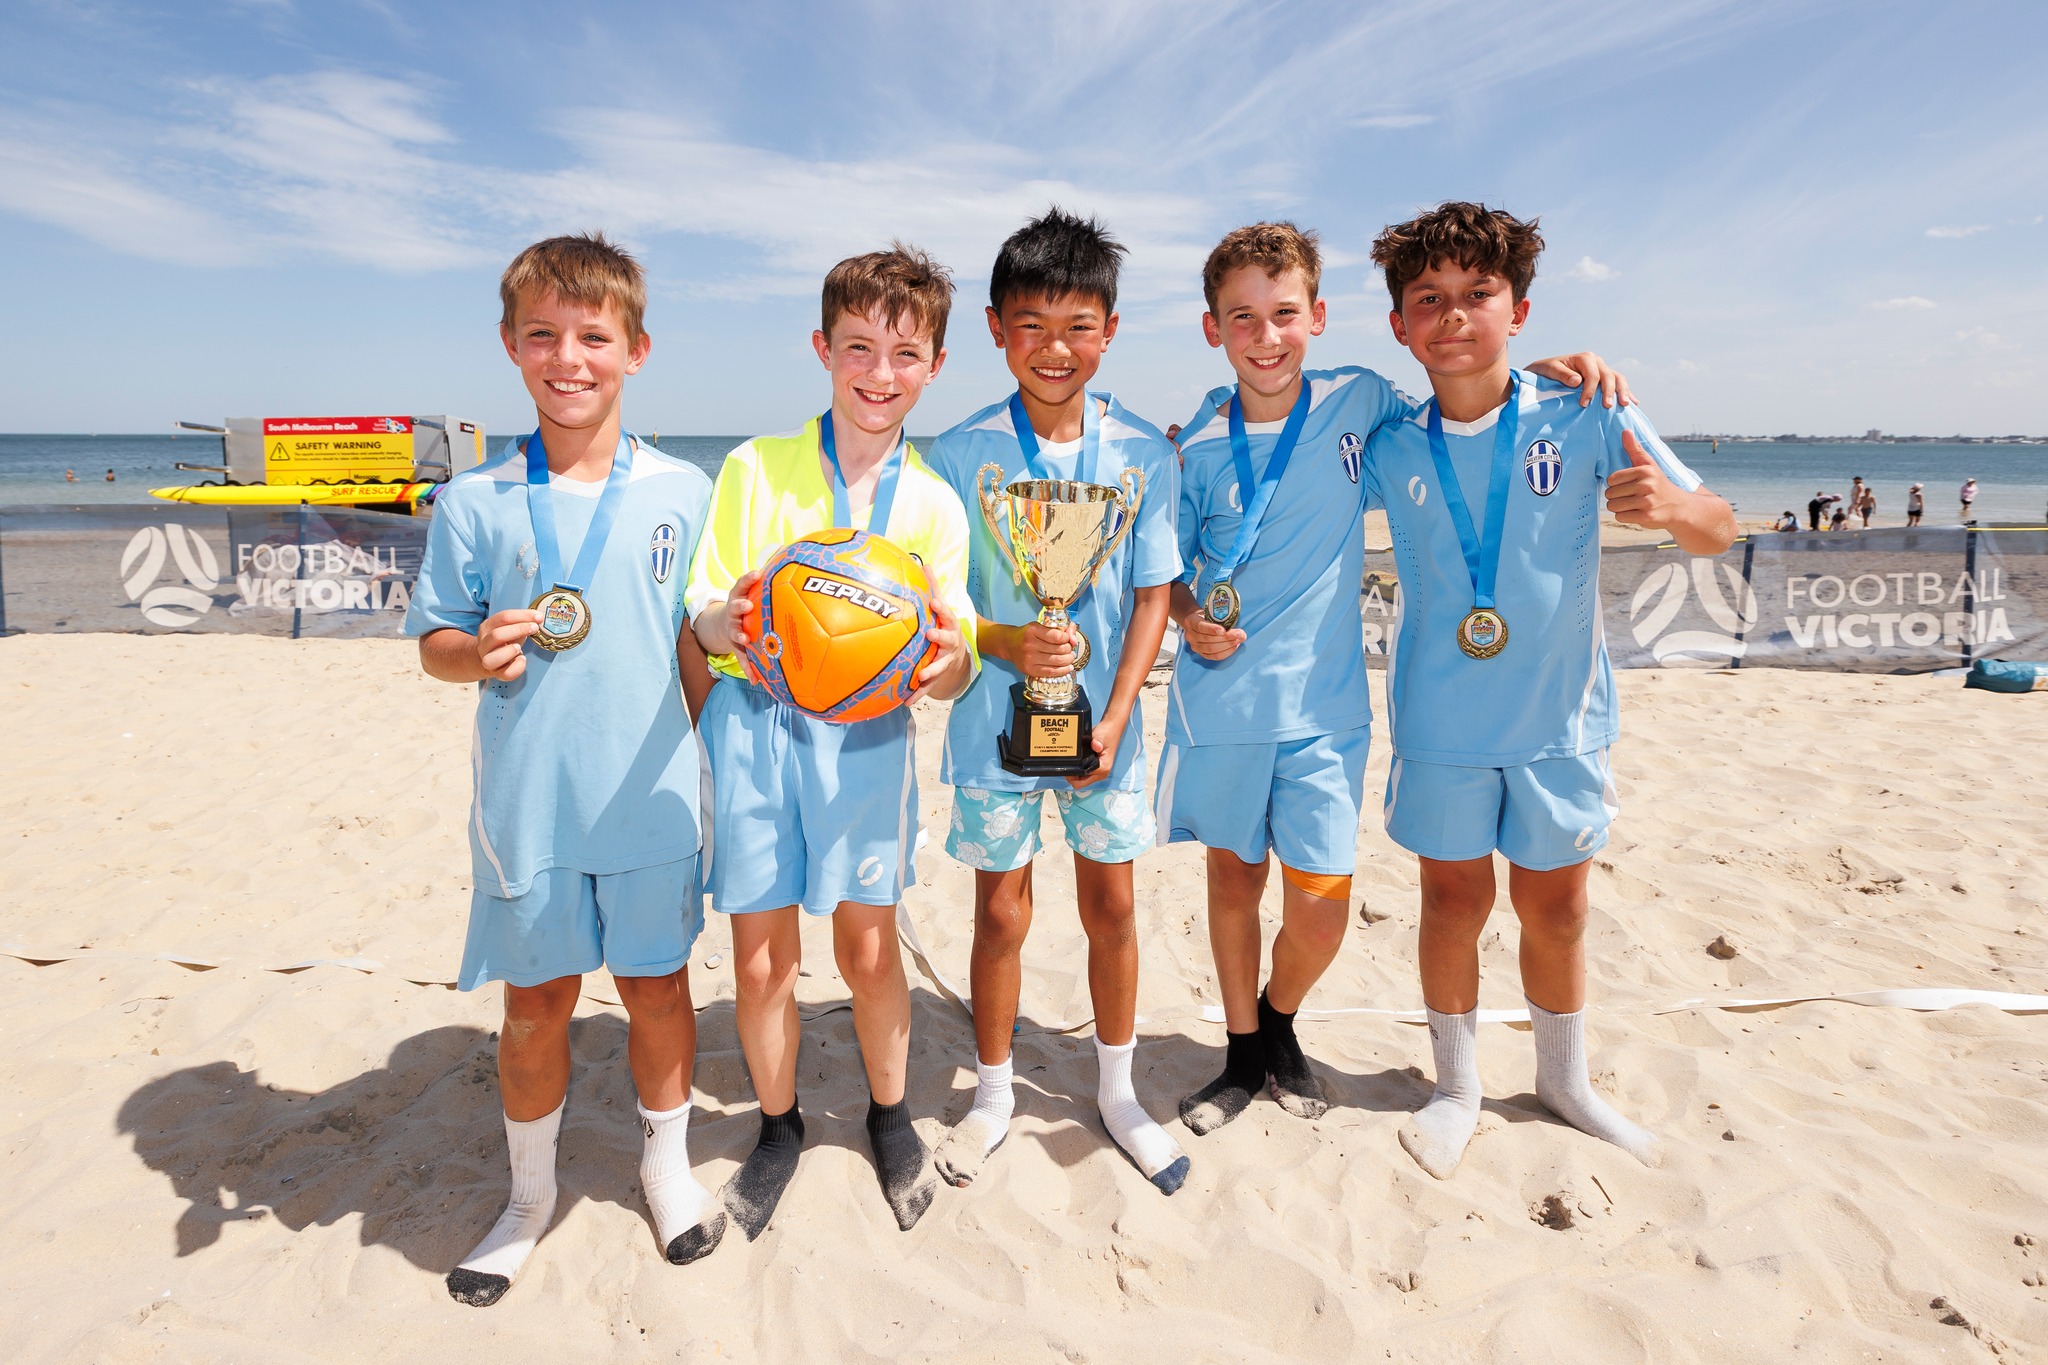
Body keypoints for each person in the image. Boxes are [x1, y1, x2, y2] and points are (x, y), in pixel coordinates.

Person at [1156, 220, 1624, 1136]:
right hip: (1222, 703)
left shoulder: (1360, 400)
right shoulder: (1196, 442)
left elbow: (1466, 402)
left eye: (1284, 313)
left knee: (1321, 913)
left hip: (1329, 708)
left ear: (1319, 316)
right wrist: (1184, 614)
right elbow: (1165, 564)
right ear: (1213, 328)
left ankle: (1280, 1015)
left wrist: (1551, 366)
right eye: (1242, 317)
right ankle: (1245, 1050)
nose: (1265, 335)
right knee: (1233, 884)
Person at [1365, 202, 1736, 1179]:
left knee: (1558, 909)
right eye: (1428, 299)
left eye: (1477, 294)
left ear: (1518, 309)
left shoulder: (1586, 410)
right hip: (1439, 722)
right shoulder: (1392, 442)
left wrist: (1672, 508)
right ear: (1399, 324)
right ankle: (1456, 1087)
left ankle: (1566, 1083)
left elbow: (1718, 527)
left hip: (1559, 720)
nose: (1453, 315)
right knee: (1452, 901)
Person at [406, 233, 723, 1306]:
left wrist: (709, 697)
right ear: (510, 345)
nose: (568, 358)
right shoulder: (475, 499)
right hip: (530, 803)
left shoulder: (684, 490)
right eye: (542, 335)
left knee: (657, 988)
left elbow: (691, 641)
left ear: (636, 349)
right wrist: (473, 652)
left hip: (650, 798)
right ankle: (528, 1197)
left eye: (593, 336)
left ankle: (665, 1169)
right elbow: (435, 643)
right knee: (537, 1005)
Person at [686, 245, 978, 1236]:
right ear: (822, 348)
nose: (878, 373)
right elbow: (704, 609)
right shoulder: (752, 467)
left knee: (866, 947)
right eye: (858, 347)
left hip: (865, 743)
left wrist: (947, 664)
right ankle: (779, 1128)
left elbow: (954, 660)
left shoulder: (934, 505)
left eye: (904, 354)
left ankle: (890, 1116)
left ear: (934, 365)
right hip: (755, 730)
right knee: (761, 964)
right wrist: (722, 622)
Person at [923, 209, 1189, 1194]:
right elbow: (941, 603)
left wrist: (1115, 718)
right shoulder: (959, 454)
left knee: (1111, 903)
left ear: (1109, 331)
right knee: (999, 911)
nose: (1054, 348)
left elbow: (1154, 593)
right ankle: (993, 1092)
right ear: (996, 328)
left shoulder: (1143, 453)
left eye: (1078, 326)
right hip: (989, 721)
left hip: (1106, 725)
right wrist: (1005, 641)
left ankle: (1117, 1091)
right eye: (1030, 325)